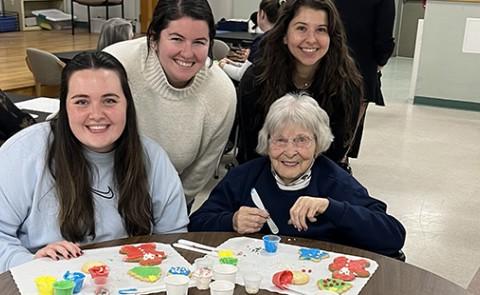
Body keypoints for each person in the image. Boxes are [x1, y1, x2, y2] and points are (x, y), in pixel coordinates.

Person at [0, 52, 189, 272]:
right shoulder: (24, 152)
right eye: (81, 102)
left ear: (127, 104)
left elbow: (172, 240)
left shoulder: (153, 158)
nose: (96, 114)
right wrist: (32, 264)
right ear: (64, 106)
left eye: (109, 100)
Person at [189, 93, 406, 257]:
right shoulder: (244, 176)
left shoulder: (335, 181)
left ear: (318, 144)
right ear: (267, 142)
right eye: (280, 140)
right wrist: (232, 220)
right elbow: (196, 224)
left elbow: (393, 236)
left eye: (301, 140)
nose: (290, 152)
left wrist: (331, 208)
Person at [104, 0, 236, 209]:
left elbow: (198, 175)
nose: (187, 52)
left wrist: (166, 215)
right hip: (99, 196)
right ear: (154, 39)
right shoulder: (115, 64)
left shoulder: (222, 94)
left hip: (168, 204)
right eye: (176, 39)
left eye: (199, 42)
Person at [237, 0, 363, 172]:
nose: (311, 39)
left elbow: (334, 154)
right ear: (284, 35)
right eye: (301, 28)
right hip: (262, 176)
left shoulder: (347, 85)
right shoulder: (255, 80)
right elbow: (249, 150)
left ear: (332, 37)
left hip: (320, 180)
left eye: (321, 29)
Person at [333, 0, 396, 159]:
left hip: (327, 57)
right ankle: (340, 161)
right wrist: (381, 60)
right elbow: (384, 34)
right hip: (362, 63)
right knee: (350, 122)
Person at [219, 0, 284, 81]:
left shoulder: (261, 43)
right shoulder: (284, 39)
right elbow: (255, 68)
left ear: (262, 14)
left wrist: (222, 65)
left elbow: (241, 75)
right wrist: (233, 63)